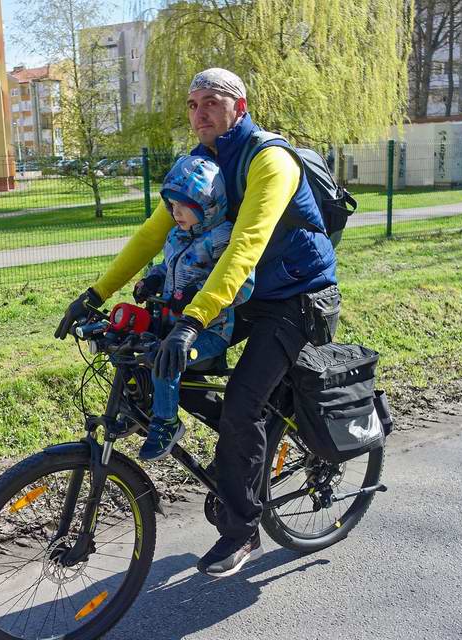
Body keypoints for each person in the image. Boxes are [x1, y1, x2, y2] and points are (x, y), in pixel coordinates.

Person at [56, 68, 341, 577]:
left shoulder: (270, 160)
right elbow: (152, 232)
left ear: (241, 106)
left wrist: (192, 320)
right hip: (235, 292)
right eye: (192, 104)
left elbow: (245, 246)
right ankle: (241, 450)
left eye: (212, 101)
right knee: (158, 358)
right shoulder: (201, 164)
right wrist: (95, 294)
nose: (200, 112)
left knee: (240, 404)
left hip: (295, 295)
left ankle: (242, 528)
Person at [133, 155, 253, 461]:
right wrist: (152, 280)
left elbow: (242, 286)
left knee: (167, 359)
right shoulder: (176, 235)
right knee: (132, 346)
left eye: (184, 206)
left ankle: (167, 423)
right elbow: (168, 266)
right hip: (175, 327)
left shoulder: (221, 238)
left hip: (210, 331)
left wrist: (196, 297)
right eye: (172, 205)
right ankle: (142, 406)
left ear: (208, 205)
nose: (176, 212)